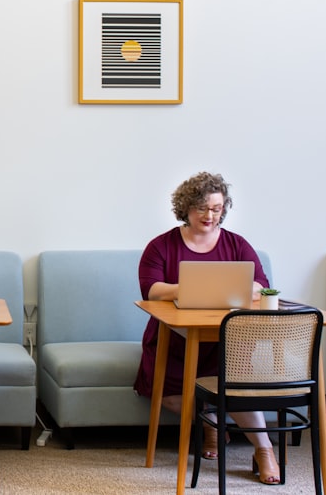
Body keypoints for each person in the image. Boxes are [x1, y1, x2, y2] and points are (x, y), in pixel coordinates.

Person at [133, 171, 280, 486]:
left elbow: (261, 285)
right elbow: (152, 290)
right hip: (171, 343)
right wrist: (190, 287)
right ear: (186, 208)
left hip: (227, 342)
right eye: (202, 208)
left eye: (216, 208)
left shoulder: (237, 244)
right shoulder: (161, 246)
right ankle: (212, 423)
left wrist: (230, 291)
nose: (209, 215)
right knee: (165, 393)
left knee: (234, 389)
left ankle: (264, 450)